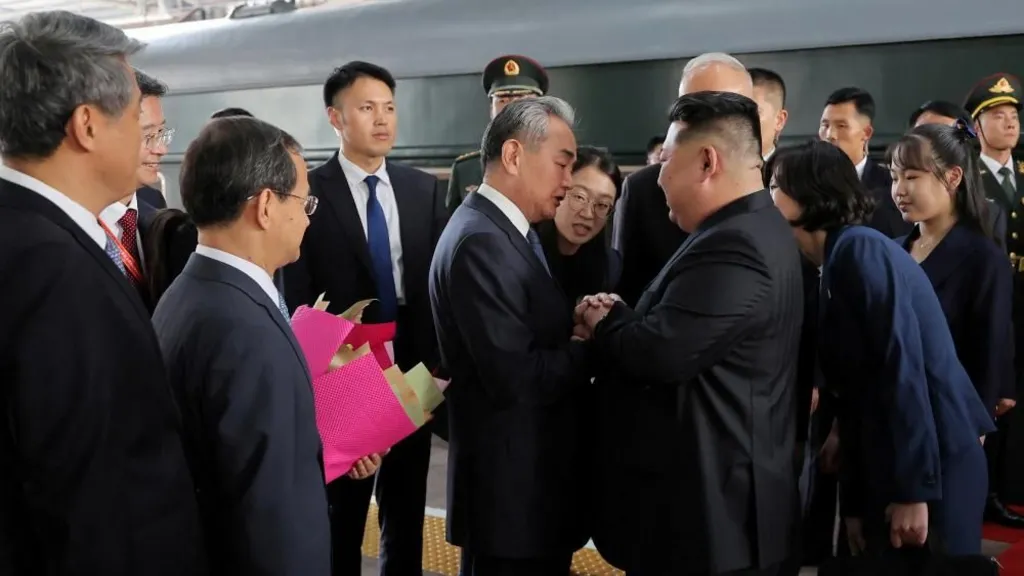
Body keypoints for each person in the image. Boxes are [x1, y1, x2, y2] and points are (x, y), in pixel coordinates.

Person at [0, 10, 205, 575]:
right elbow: (83, 496)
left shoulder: (26, 233)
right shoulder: (52, 270)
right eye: (139, 114)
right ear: (87, 125)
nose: (152, 138)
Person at [581, 91, 803, 576]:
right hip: (717, 511)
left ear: (706, 161)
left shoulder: (735, 245)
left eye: (666, 161)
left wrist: (607, 320)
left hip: (710, 523)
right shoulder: (751, 228)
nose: (658, 176)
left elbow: (660, 353)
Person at [770, 140, 995, 556]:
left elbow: (900, 366)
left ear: (808, 194)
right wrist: (855, 500)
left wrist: (913, 492)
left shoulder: (859, 249)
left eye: (776, 185)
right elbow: (857, 388)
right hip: (892, 460)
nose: (768, 197)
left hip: (933, 467)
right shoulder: (834, 259)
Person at [283, 60, 445, 576]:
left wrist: (437, 369)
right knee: (345, 519)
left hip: (411, 372)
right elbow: (302, 301)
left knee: (407, 510)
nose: (383, 119)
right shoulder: (311, 193)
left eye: (390, 107)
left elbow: (434, 288)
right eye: (367, 107)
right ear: (336, 117)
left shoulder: (423, 190)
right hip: (344, 373)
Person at [151, 116, 330, 575]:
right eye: (303, 201)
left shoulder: (189, 293)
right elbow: (268, 510)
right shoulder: (242, 327)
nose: (308, 218)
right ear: (266, 206)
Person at [428, 96, 591, 575]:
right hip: (511, 501)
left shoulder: (503, 231)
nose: (568, 182)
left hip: (524, 498)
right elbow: (515, 376)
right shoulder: (483, 241)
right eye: (562, 164)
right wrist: (588, 348)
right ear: (515, 155)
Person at [890, 122, 1014, 414]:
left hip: (949, 414)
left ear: (953, 177)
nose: (899, 190)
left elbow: (987, 351)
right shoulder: (893, 251)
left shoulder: (983, 258)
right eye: (894, 177)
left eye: (911, 177)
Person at [613, 52, 753, 307]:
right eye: (693, 110)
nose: (708, 121)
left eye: (726, 110)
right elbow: (626, 288)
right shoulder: (643, 189)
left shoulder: (771, 186)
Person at [964, 72, 1024, 526]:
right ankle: (988, 493)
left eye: (1014, 115)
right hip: (994, 302)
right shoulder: (968, 176)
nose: (1009, 124)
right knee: (995, 394)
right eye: (998, 116)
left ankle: (1014, 483)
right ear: (978, 127)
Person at [101, 68, 172, 309]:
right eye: (148, 136)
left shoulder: (155, 207)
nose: (161, 149)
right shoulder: (73, 221)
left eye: (161, 133)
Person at [446, 54, 549, 216]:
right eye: (502, 99)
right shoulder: (465, 169)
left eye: (521, 98)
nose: (511, 107)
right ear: (491, 109)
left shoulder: (558, 165)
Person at [537, 145, 622, 306]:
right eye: (579, 197)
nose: (588, 214)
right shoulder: (523, 251)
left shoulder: (610, 265)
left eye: (603, 205)